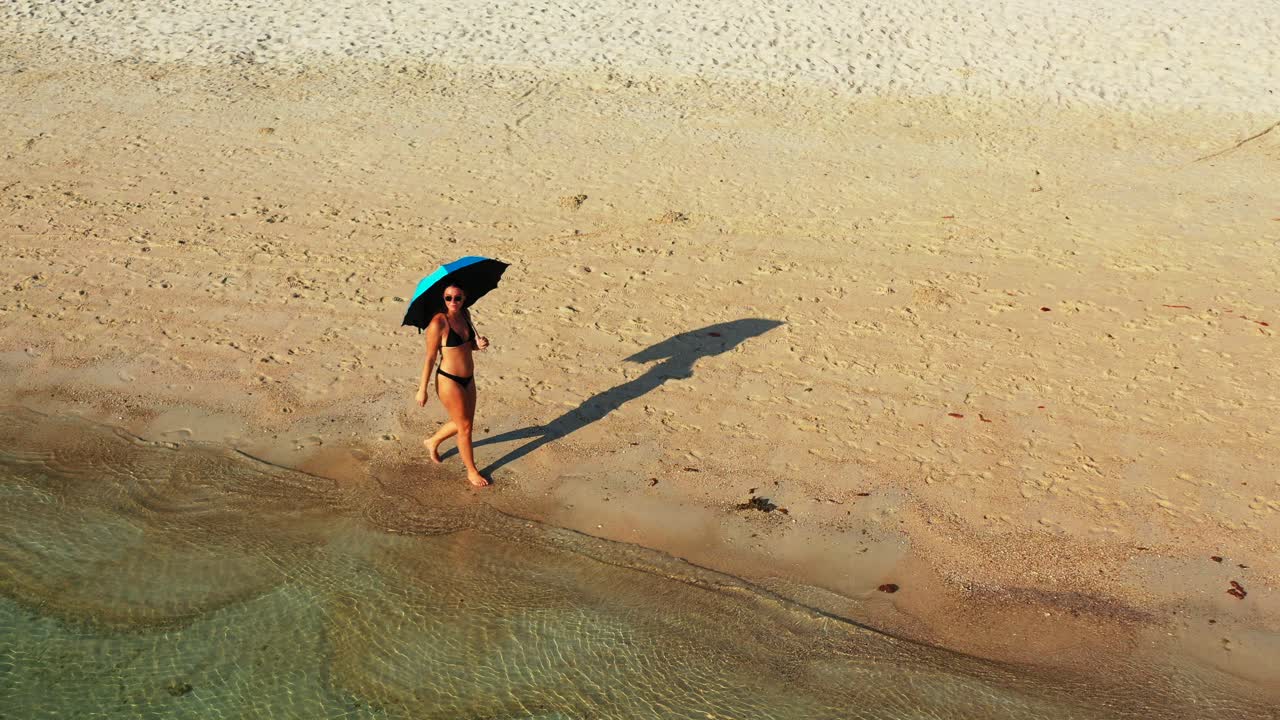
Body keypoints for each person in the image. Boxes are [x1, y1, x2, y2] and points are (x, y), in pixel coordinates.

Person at [416, 284, 491, 487]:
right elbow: (430, 358)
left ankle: (432, 441)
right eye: (448, 298)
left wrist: (479, 345)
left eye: (457, 298)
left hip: (469, 378)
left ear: (464, 297)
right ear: (443, 298)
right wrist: (422, 389)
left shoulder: (465, 314)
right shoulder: (438, 323)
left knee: (465, 423)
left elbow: (467, 346)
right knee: (465, 427)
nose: (453, 302)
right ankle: (471, 471)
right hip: (449, 380)